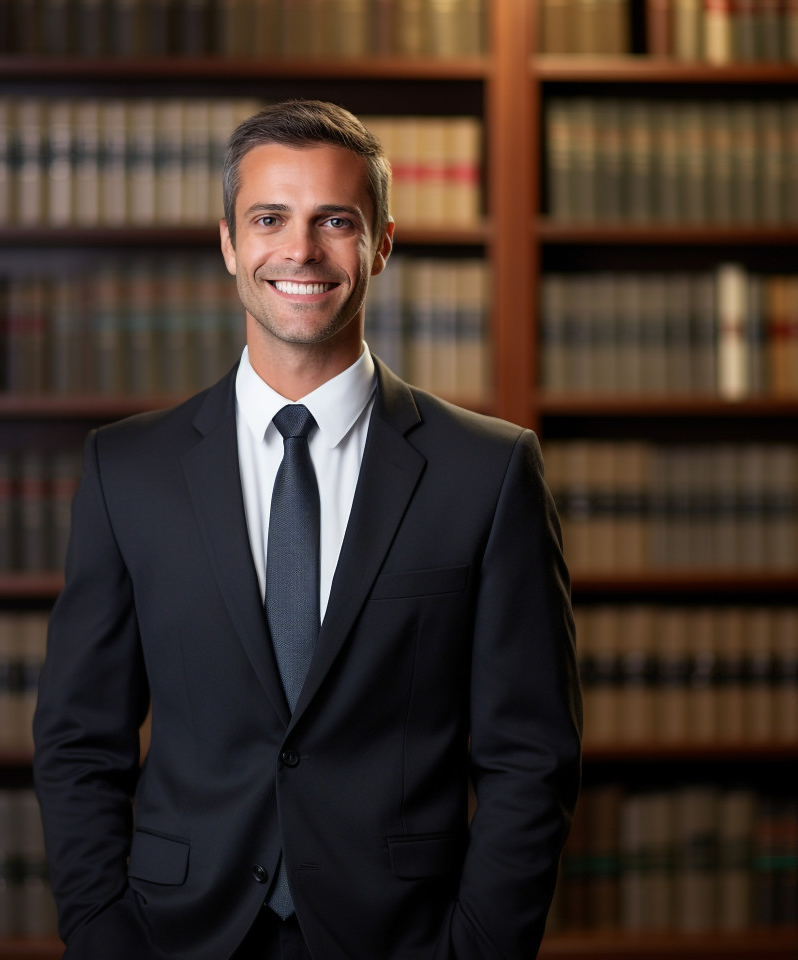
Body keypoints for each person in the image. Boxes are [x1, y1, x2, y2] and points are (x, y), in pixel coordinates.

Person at [33, 99, 582, 960]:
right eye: (269, 219)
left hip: (404, 940)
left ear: (382, 244)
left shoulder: (490, 471)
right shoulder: (126, 470)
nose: (299, 250)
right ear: (228, 243)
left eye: (335, 220)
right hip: (178, 936)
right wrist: (104, 937)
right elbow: (78, 740)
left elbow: (531, 754)